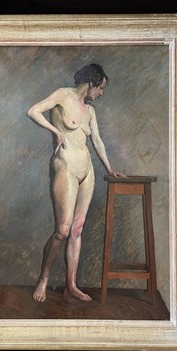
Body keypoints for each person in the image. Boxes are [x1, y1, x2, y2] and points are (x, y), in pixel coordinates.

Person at [26, 63, 124, 302]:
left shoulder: (90, 111)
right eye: (100, 88)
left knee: (77, 230)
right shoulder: (63, 95)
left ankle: (71, 285)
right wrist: (56, 131)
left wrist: (109, 168)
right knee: (62, 230)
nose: (101, 93)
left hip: (86, 170)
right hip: (65, 166)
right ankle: (43, 279)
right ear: (91, 82)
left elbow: (97, 141)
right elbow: (33, 111)